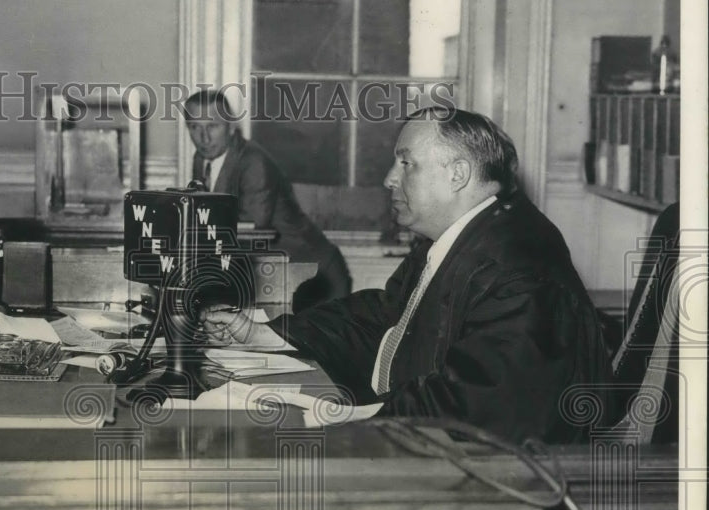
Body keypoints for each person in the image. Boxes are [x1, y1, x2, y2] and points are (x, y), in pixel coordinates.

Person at [204, 107, 612, 443]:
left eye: (406, 163)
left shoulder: (519, 263)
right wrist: (265, 333)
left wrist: (355, 421)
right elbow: (385, 316)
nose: (389, 178)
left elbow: (479, 404)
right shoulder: (464, 235)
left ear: (457, 174)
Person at [183, 89, 351, 312]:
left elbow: (249, 231)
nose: (203, 137)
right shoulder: (202, 158)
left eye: (212, 126)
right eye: (195, 127)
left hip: (313, 277)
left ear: (231, 126)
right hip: (270, 275)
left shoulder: (253, 162)